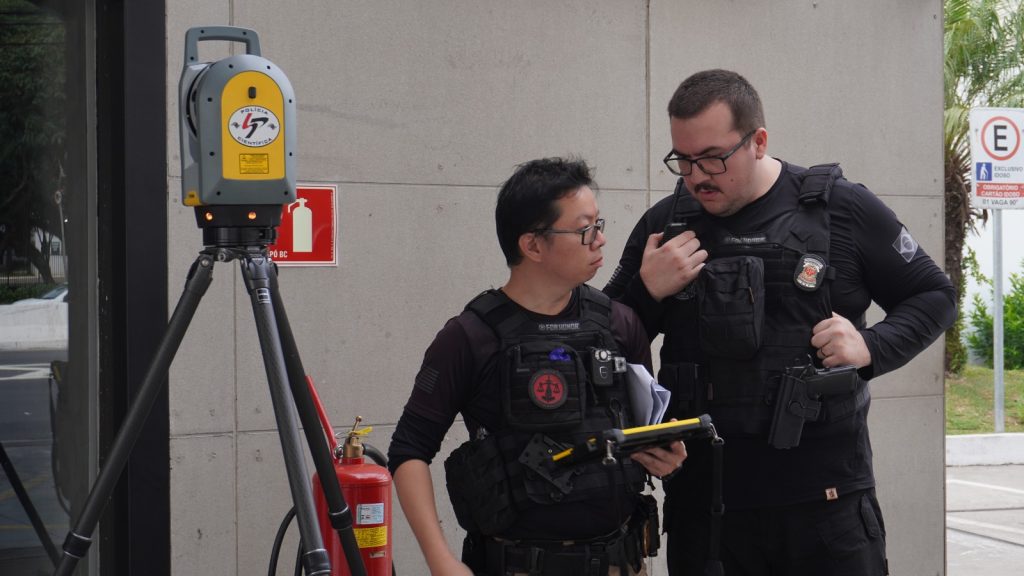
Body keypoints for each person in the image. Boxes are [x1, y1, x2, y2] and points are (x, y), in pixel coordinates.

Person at [604, 69, 957, 575]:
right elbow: (602, 341)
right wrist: (646, 291)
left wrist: (871, 347)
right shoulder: (665, 225)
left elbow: (934, 295)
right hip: (706, 511)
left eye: (713, 157)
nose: (696, 176)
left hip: (827, 506)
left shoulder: (842, 208)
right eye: (683, 159)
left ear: (758, 142)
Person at [388, 157, 688, 576]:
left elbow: (643, 430)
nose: (600, 240)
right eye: (585, 230)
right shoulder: (469, 337)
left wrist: (666, 457)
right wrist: (441, 561)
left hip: (622, 561)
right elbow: (409, 451)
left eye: (599, 225)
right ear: (532, 246)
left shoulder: (619, 324)